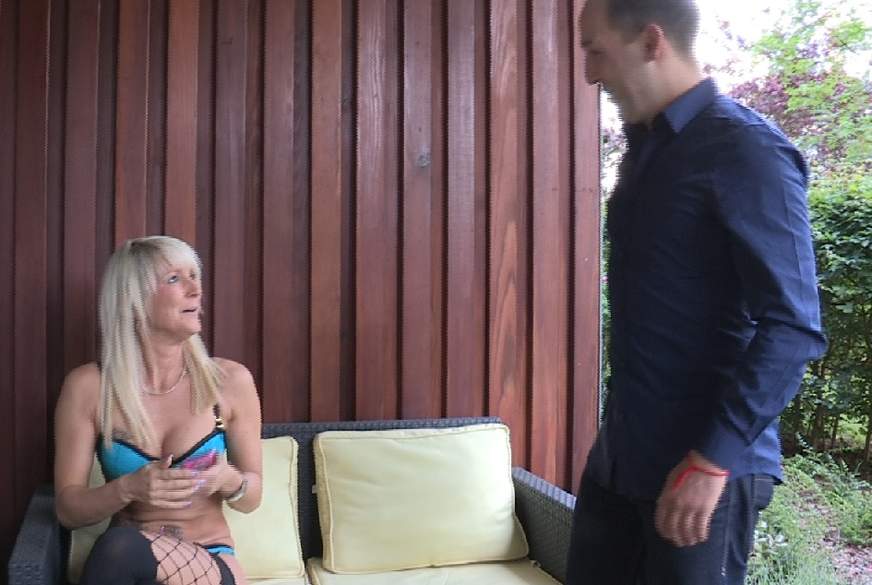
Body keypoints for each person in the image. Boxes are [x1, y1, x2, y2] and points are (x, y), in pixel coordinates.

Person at [568, 0, 828, 583]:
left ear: (652, 42)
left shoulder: (746, 149)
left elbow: (793, 326)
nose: (589, 74)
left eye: (595, 51)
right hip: (621, 459)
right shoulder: (645, 153)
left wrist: (712, 460)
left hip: (701, 472)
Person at [54, 236, 263, 585]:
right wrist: (127, 489)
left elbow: (251, 498)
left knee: (120, 548)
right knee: (122, 547)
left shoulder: (229, 381)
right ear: (134, 299)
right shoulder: (89, 388)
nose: (196, 290)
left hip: (207, 561)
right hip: (126, 563)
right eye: (175, 279)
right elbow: (67, 511)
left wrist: (229, 479)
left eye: (195, 276)